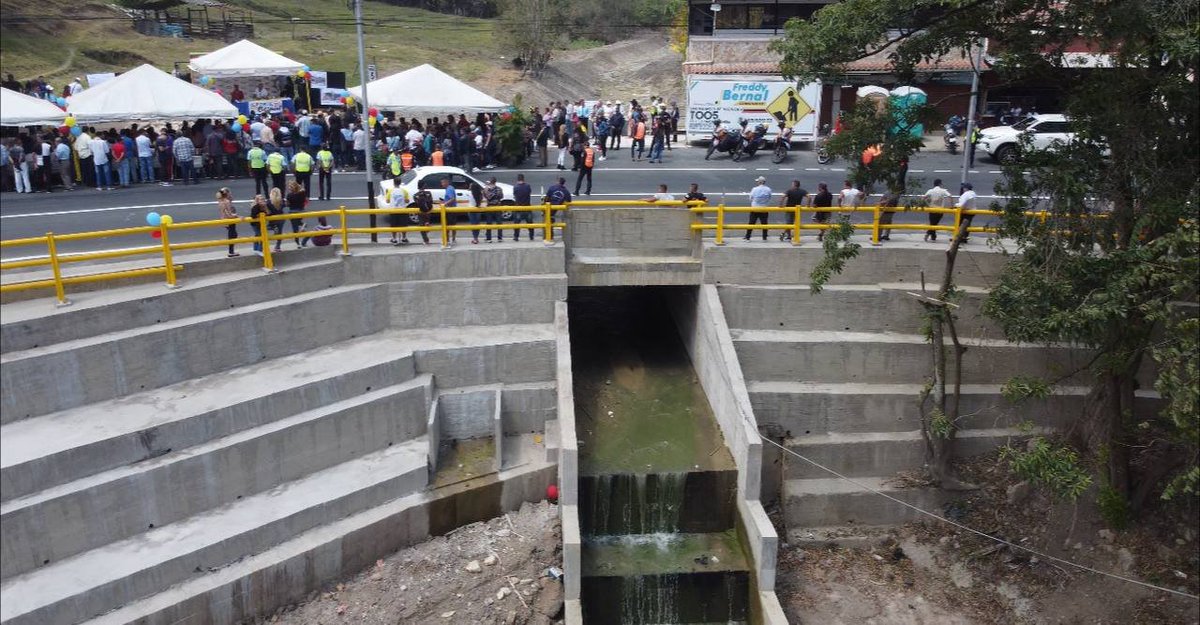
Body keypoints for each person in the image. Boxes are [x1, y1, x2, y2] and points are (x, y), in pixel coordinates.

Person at [385, 176, 410, 245]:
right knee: (404, 225)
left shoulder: (390, 191)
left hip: (393, 210)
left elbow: (387, 201)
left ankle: (394, 239)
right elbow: (407, 201)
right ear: (400, 183)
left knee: (393, 225)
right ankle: (404, 238)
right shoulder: (404, 191)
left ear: (393, 183)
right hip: (402, 210)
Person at [747, 176, 772, 241]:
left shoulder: (754, 189)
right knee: (764, 223)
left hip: (755, 208)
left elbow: (750, 198)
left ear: (760, 182)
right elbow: (769, 198)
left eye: (758, 181)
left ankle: (748, 237)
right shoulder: (768, 189)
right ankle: (764, 237)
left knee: (751, 223)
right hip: (764, 208)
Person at [217, 187, 240, 257]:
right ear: (227, 194)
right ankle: (231, 251)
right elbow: (229, 214)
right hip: (230, 220)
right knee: (232, 235)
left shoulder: (221, 201)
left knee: (233, 234)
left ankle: (231, 251)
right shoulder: (226, 202)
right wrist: (238, 216)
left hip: (226, 220)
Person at [285, 179, 309, 248]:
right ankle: (302, 225)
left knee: (295, 229)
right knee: (298, 223)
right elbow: (302, 189)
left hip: (292, 212)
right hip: (301, 211)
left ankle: (298, 243)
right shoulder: (302, 193)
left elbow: (287, 204)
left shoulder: (289, 195)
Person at [511, 173, 535, 241]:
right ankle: (531, 236)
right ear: (523, 179)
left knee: (517, 223)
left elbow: (515, 195)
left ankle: (516, 236)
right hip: (527, 206)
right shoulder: (527, 186)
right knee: (530, 223)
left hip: (518, 207)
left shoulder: (515, 187)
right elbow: (529, 193)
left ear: (517, 179)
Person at [481, 176, 504, 242]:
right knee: (499, 223)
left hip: (490, 207)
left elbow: (485, 196)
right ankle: (500, 238)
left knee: (489, 223)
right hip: (497, 206)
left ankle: (489, 238)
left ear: (490, 181)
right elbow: (502, 196)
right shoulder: (499, 189)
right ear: (495, 182)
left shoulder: (486, 189)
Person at [438, 177, 459, 244]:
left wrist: (444, 204)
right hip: (451, 209)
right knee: (452, 225)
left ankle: (449, 240)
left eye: (443, 182)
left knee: (449, 225)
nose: (442, 184)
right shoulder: (449, 188)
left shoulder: (449, 189)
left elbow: (452, 199)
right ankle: (452, 239)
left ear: (447, 182)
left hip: (450, 209)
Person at [268, 187, 286, 252]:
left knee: (266, 227)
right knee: (280, 232)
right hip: (281, 218)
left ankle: (273, 228)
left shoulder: (269, 202)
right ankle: (278, 247)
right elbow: (285, 205)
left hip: (273, 219)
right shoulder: (281, 201)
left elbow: (268, 212)